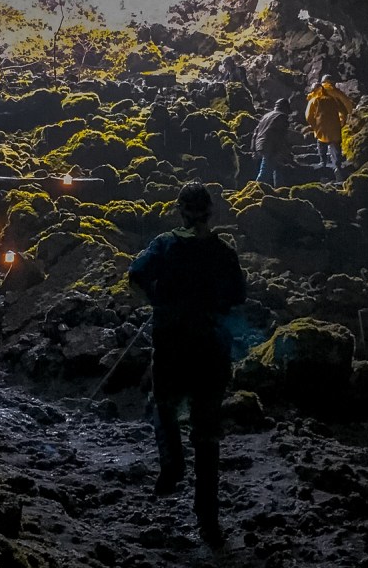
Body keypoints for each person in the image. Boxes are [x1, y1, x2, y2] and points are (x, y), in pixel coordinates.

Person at [128, 182, 246, 545]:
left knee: (163, 404)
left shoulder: (165, 245)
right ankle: (208, 520)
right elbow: (238, 296)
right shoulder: (223, 252)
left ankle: (172, 463)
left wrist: (157, 299)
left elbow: (135, 276)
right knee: (207, 433)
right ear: (211, 212)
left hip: (172, 342)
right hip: (211, 347)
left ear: (180, 211)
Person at [305, 74, 354, 179]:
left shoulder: (314, 98)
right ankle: (337, 167)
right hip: (334, 128)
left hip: (320, 128)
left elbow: (308, 115)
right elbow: (344, 110)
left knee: (321, 144)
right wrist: (342, 122)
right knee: (335, 147)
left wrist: (314, 125)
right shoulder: (334, 96)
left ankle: (323, 166)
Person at [251, 98, 292, 187]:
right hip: (271, 147)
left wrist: (253, 149)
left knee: (278, 168)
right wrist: (283, 149)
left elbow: (255, 132)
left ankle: (279, 189)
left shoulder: (266, 116)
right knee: (265, 172)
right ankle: (255, 189)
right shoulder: (281, 116)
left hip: (260, 144)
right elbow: (280, 135)